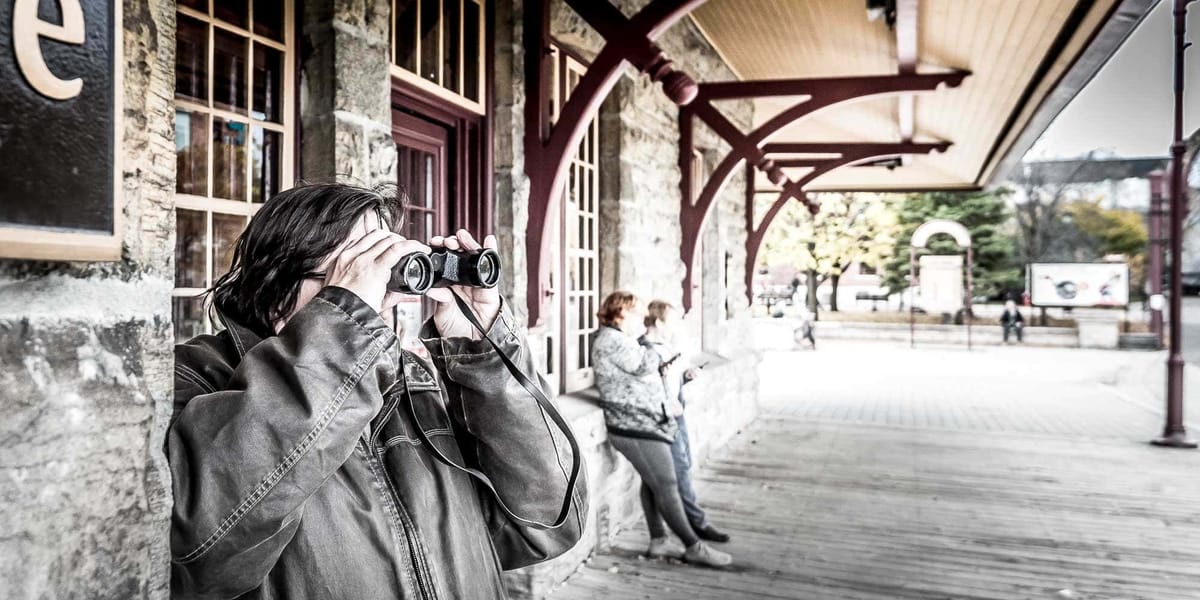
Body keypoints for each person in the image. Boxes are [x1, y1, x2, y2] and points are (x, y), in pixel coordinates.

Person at [168, 183, 586, 599]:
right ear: (278, 288)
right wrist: (343, 324)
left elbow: (546, 526)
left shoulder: (411, 382)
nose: (381, 295)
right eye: (357, 270)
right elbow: (203, 555)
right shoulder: (198, 378)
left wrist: (482, 355)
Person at [592, 292, 733, 568]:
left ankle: (659, 541)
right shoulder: (611, 340)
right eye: (637, 312)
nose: (642, 318)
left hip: (645, 421)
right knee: (667, 484)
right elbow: (643, 365)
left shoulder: (622, 339)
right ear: (621, 312)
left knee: (653, 482)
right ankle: (693, 546)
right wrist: (666, 347)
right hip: (633, 424)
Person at [643, 300, 731, 544]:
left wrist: (686, 376)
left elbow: (670, 380)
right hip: (662, 418)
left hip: (677, 413)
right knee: (678, 470)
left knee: (681, 466)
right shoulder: (645, 350)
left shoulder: (666, 346)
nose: (677, 325)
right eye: (672, 320)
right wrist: (665, 404)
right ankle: (697, 523)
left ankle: (660, 534)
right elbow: (645, 387)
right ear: (659, 322)